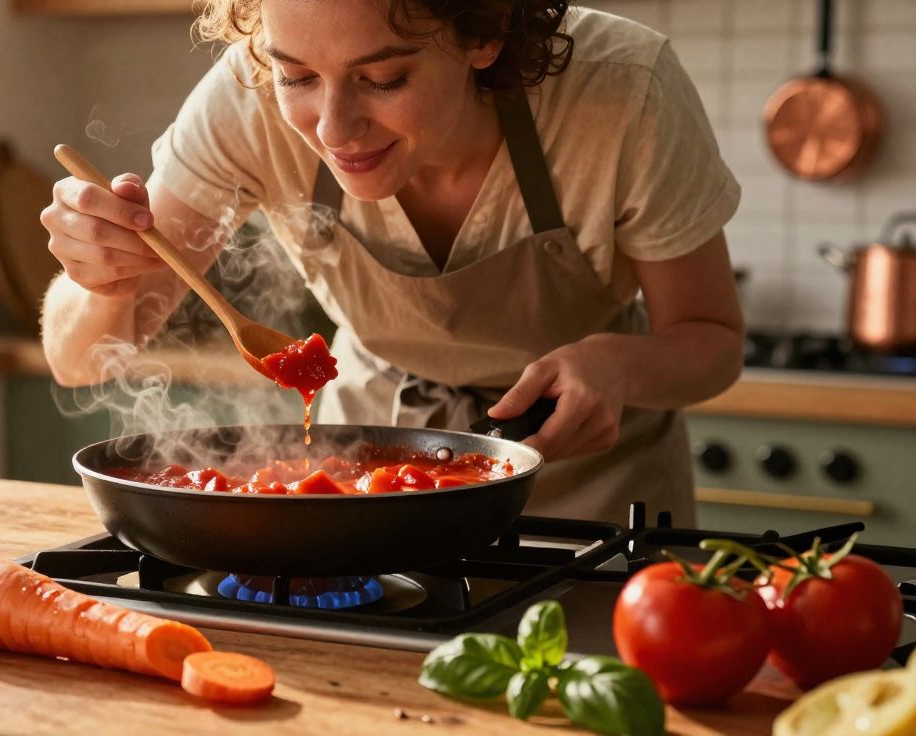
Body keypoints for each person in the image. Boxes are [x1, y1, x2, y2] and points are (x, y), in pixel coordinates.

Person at [39, 0, 745, 526]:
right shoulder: (245, 98)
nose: (333, 128)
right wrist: (101, 276)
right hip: (368, 484)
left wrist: (617, 365)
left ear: (486, 33)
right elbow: (78, 361)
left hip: (587, 478)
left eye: (383, 78)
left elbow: (711, 341)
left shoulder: (623, 93)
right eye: (297, 76)